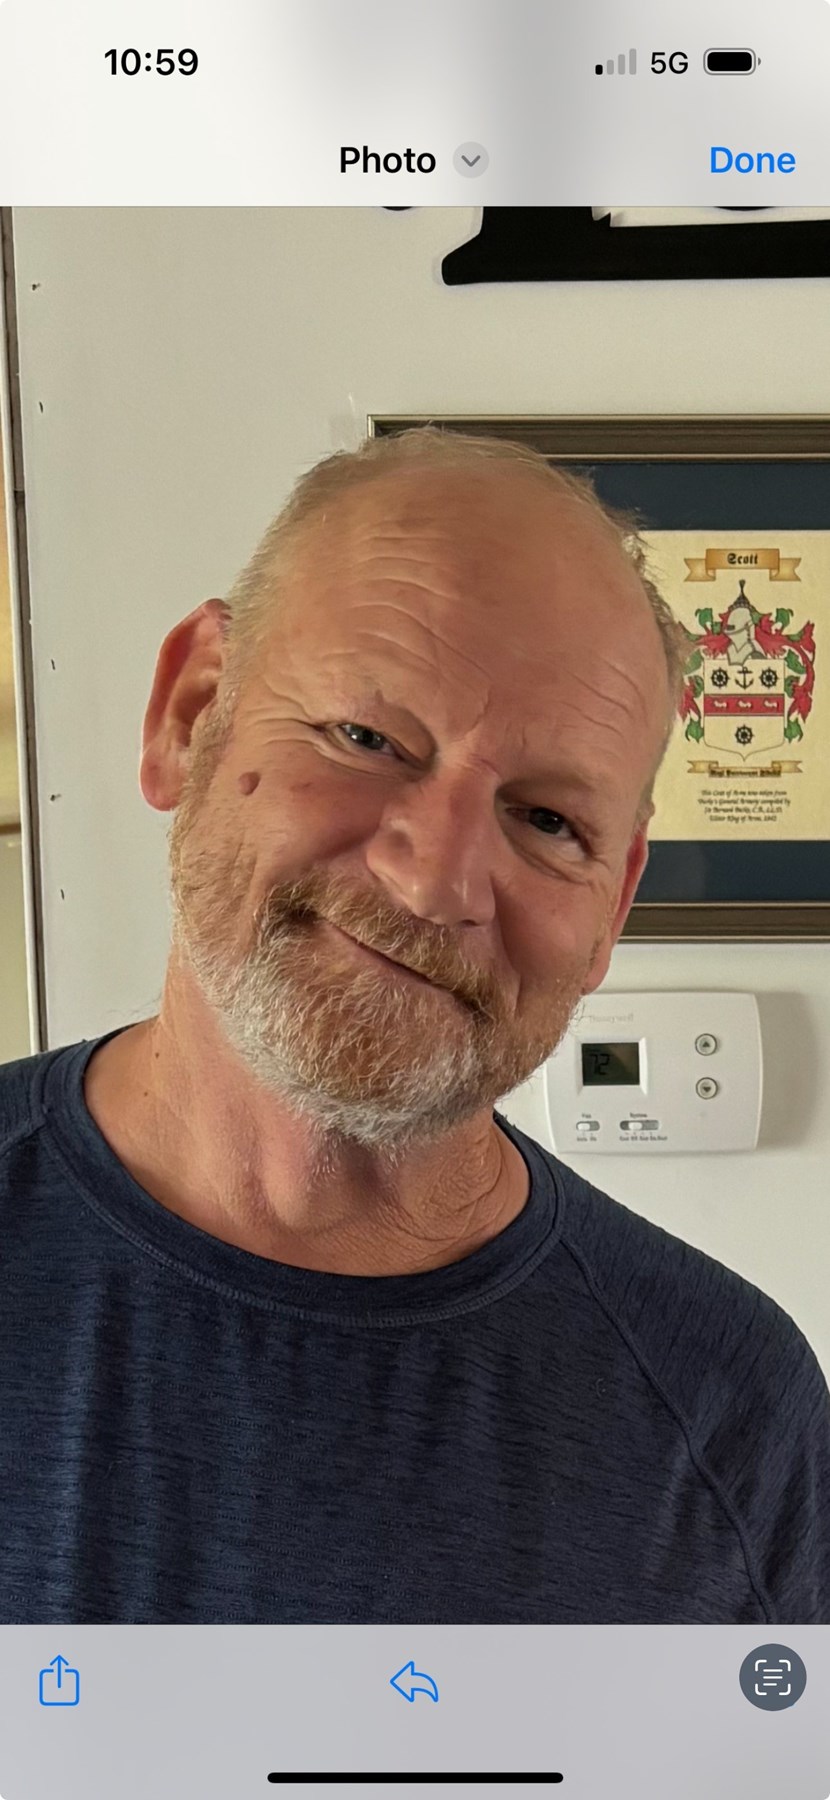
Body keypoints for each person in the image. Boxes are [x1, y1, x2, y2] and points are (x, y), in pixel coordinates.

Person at [1, 427, 828, 1624]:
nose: (436, 880)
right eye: (367, 739)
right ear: (190, 712)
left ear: (612, 907)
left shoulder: (729, 1409)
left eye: (547, 821)